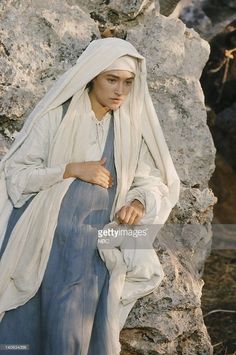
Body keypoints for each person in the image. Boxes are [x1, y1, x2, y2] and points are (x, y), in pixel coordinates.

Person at [0, 37, 180, 354]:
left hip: (98, 245)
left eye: (127, 82)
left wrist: (138, 203)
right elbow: (16, 175)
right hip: (48, 241)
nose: (120, 91)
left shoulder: (129, 128)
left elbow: (153, 180)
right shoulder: (55, 117)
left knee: (76, 330)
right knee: (29, 332)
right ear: (93, 75)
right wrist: (69, 169)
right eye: (111, 79)